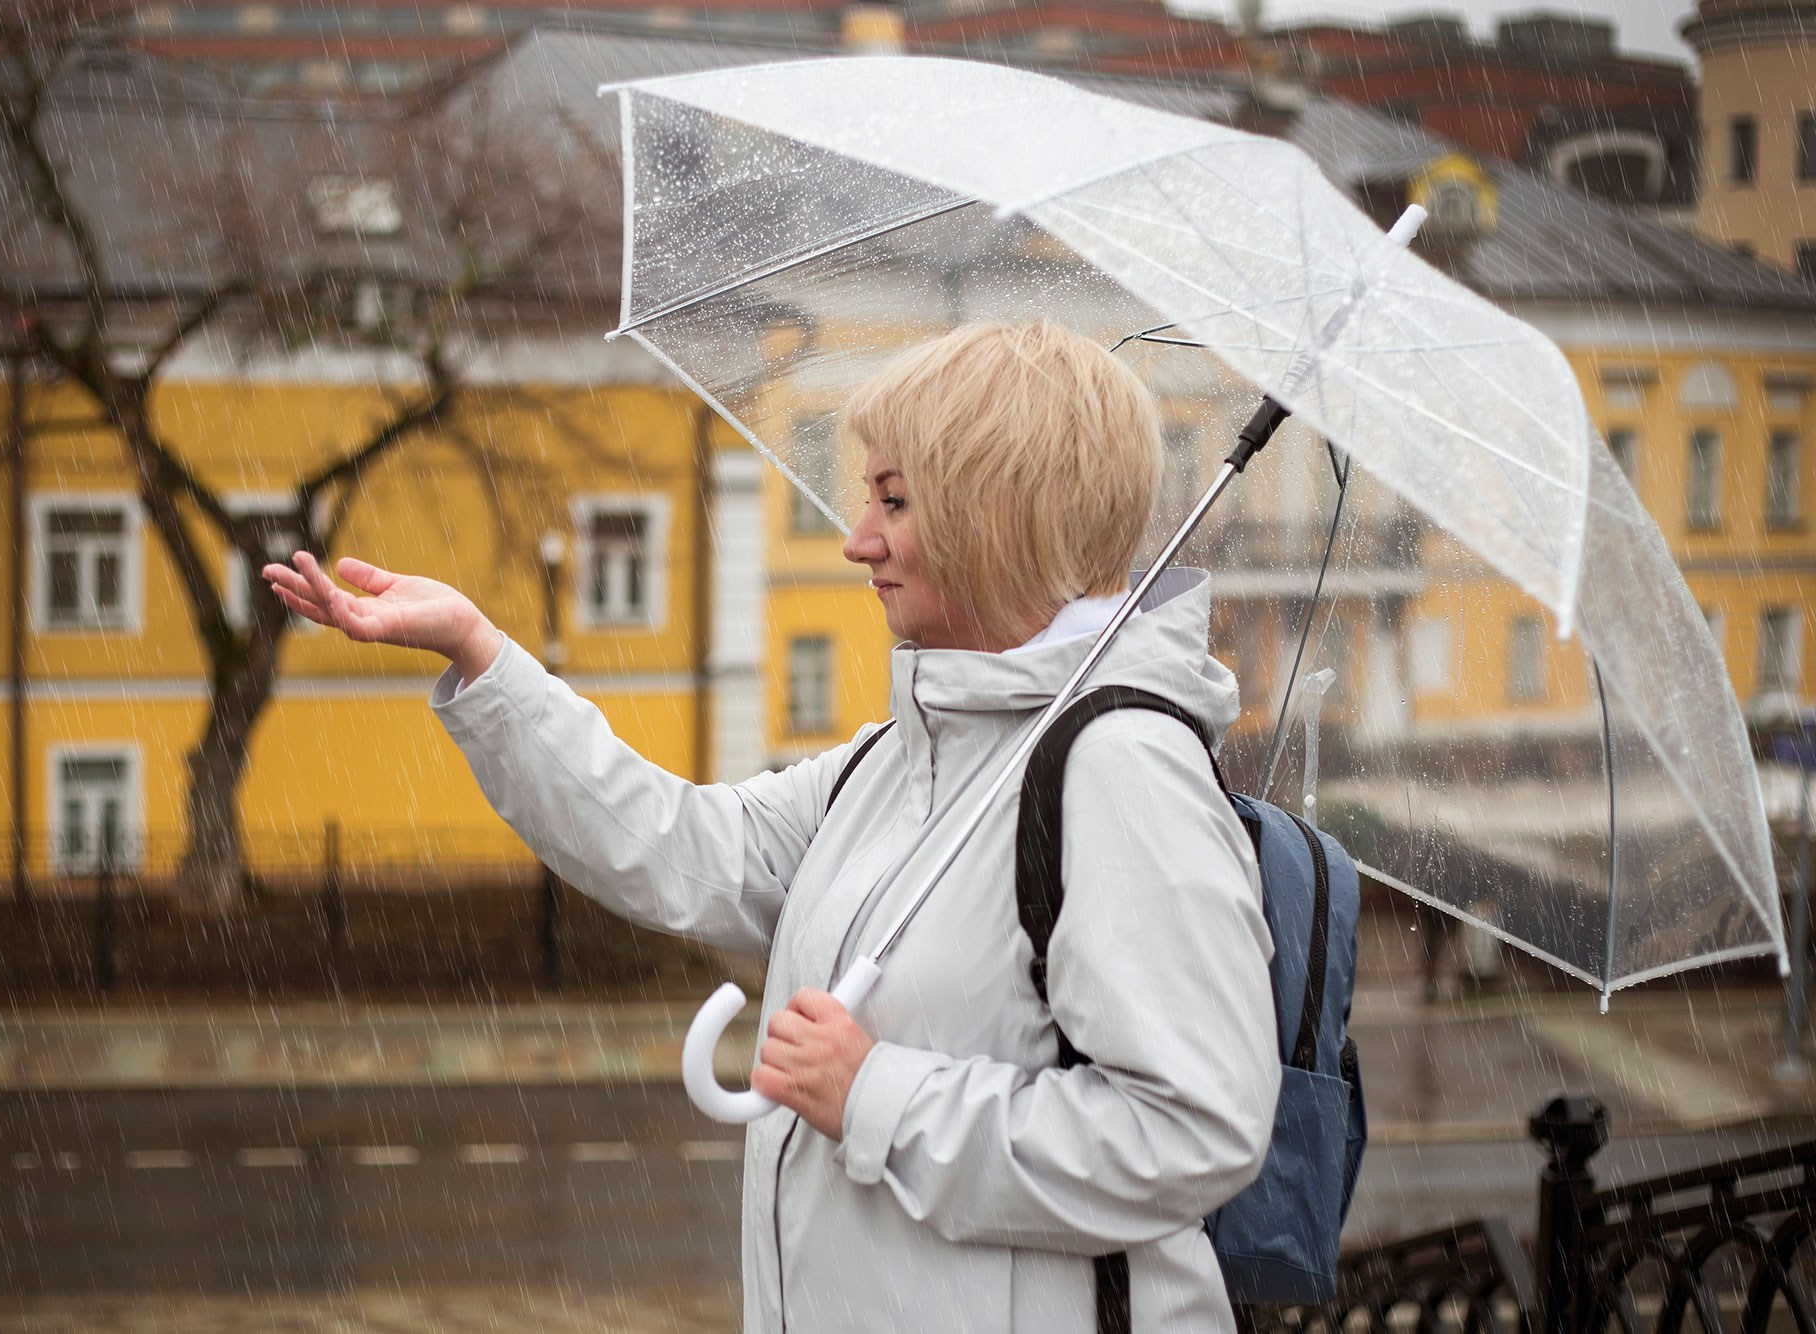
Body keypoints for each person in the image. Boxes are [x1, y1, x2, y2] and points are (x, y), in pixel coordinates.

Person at [263, 319, 1279, 1333]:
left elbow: (1189, 1129)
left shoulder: (1118, 768)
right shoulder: (902, 759)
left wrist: (874, 1094)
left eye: (892, 500)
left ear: (993, 511)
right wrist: (483, 657)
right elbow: (680, 850)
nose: (857, 538)